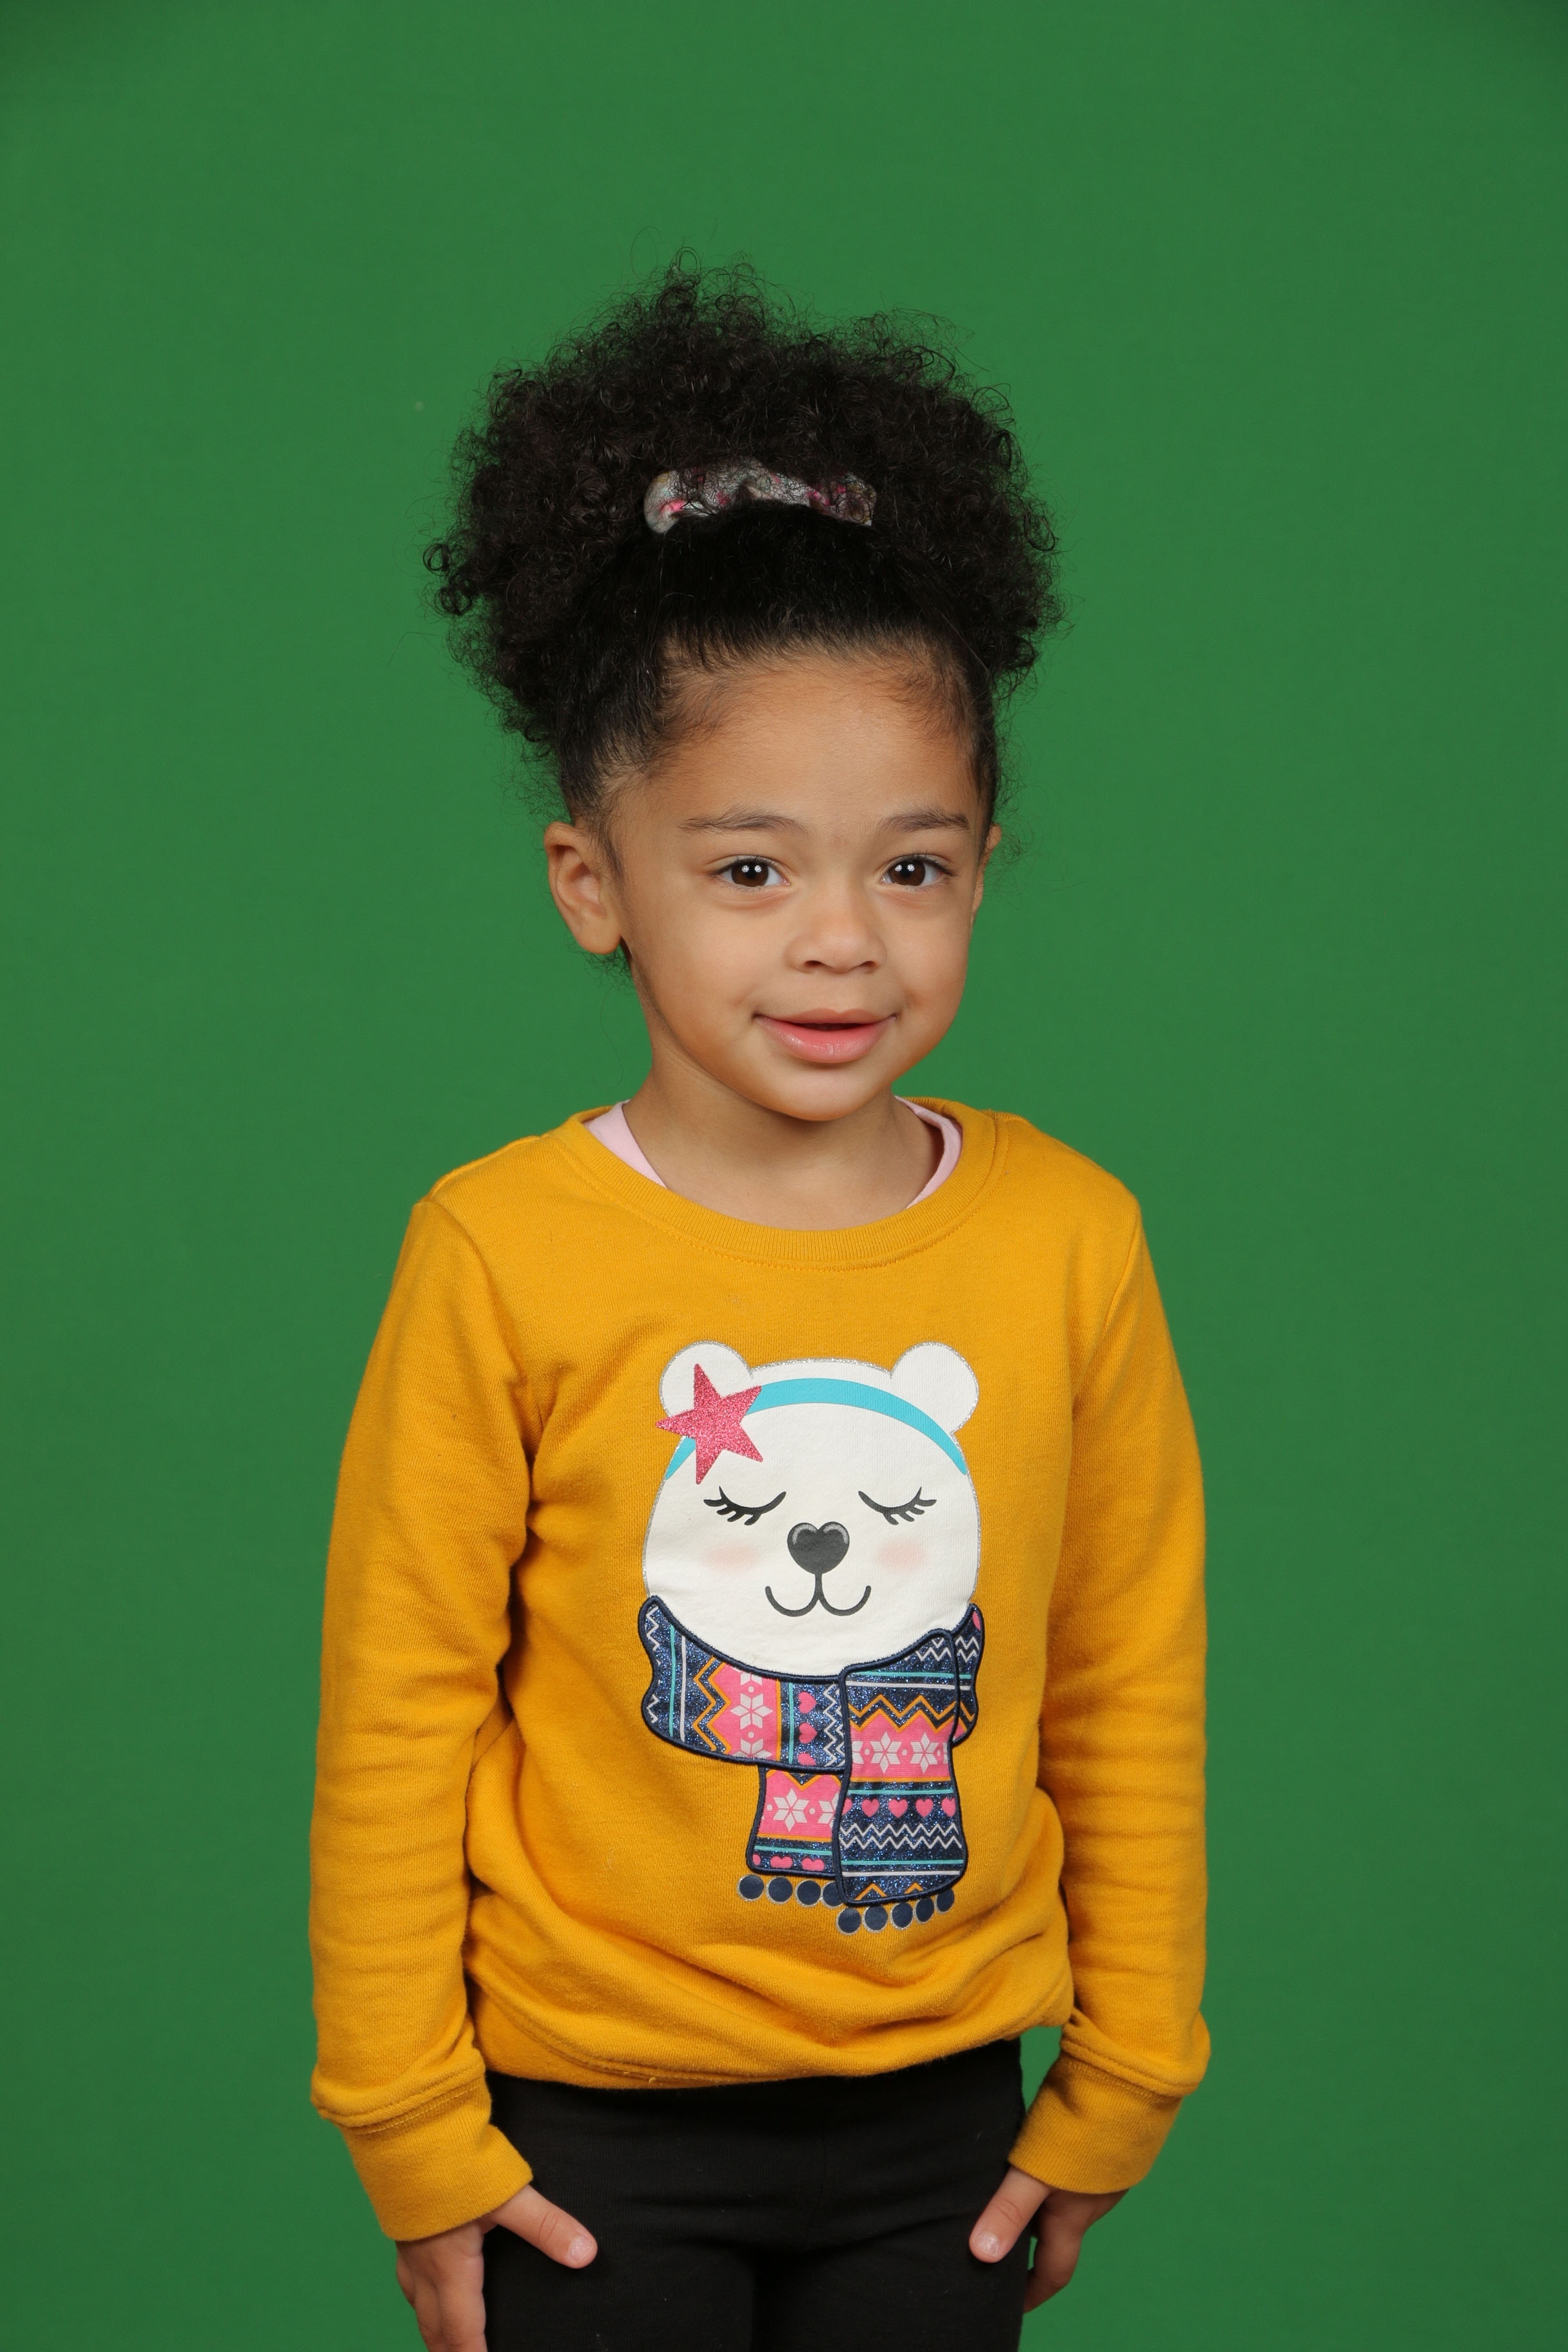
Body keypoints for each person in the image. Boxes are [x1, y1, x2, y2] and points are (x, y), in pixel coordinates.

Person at [309, 264, 1208, 2352]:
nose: (840, 942)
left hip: (942, 2124)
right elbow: (401, 1709)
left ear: (984, 865)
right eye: (748, 871)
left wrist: (1127, 2068)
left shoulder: (1072, 1237)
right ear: (592, 883)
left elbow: (1126, 1674)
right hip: (579, 2134)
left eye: (913, 867)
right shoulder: (500, 1250)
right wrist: (411, 2120)